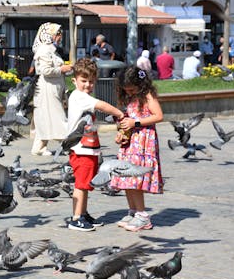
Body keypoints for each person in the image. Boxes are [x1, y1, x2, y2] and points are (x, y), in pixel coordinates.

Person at [67, 58, 125, 231]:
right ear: (74, 80)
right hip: (80, 150)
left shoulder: (84, 96)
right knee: (81, 184)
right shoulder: (79, 97)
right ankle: (76, 218)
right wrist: (119, 114)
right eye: (83, 81)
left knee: (86, 183)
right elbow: (102, 105)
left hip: (88, 149)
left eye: (91, 81)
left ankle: (83, 214)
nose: (87, 85)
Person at [110, 66, 164, 232]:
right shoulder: (131, 98)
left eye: (132, 89)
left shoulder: (147, 95)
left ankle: (142, 216)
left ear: (140, 84)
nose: (129, 92)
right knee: (127, 179)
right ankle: (133, 211)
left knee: (135, 180)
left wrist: (136, 123)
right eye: (126, 89)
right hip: (131, 143)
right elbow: (129, 119)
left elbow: (159, 116)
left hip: (143, 144)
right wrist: (122, 132)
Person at [30, 22, 73, 156]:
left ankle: (39, 147)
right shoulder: (44, 49)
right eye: (58, 34)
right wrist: (62, 69)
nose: (60, 37)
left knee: (45, 118)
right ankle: (68, 144)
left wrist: (65, 70)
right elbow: (44, 70)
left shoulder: (50, 49)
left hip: (53, 87)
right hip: (48, 88)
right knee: (58, 117)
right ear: (50, 35)